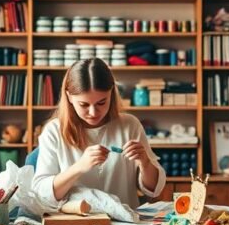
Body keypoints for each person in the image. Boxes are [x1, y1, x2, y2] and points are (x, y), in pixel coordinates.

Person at [32, 58, 166, 209]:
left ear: (111, 93)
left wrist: (145, 162)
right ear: (69, 97)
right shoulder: (54, 131)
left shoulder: (129, 125)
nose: (93, 112)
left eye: (101, 103)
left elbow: (154, 190)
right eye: (84, 105)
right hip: (74, 224)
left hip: (125, 224)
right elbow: (42, 194)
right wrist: (80, 167)